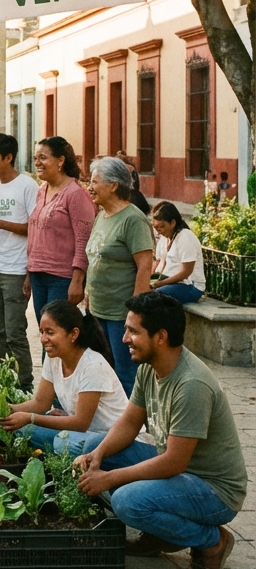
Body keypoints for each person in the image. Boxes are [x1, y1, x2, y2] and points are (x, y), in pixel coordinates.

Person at [75, 292, 247, 569]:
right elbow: (130, 422)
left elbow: (174, 462)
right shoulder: (148, 368)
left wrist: (110, 479)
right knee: (91, 446)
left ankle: (212, 542)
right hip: (179, 468)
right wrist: (100, 454)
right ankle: (158, 533)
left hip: (213, 489)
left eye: (133, 331)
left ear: (161, 337)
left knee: (128, 502)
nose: (124, 338)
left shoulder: (191, 384)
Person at [0, 301, 128, 455]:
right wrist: (5, 411)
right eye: (42, 332)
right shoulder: (54, 357)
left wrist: (31, 418)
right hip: (83, 434)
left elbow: (80, 423)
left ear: (73, 334)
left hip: (112, 439)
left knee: (63, 441)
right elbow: (40, 403)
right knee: (19, 427)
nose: (43, 339)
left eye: (50, 332)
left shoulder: (93, 365)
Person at [85, 157, 154, 397]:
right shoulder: (101, 215)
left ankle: (132, 428)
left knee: (125, 374)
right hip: (98, 309)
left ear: (114, 185)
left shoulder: (133, 219)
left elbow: (145, 265)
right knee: (103, 370)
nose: (89, 187)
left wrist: (135, 311)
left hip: (120, 313)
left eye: (95, 182)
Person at [0, 133, 38, 391]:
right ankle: (6, 382)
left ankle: (24, 386)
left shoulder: (27, 186)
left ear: (8, 158)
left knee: (15, 333)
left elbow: (35, 229)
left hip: (15, 269)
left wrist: (29, 272)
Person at [25, 136, 95, 322]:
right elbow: (35, 234)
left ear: (61, 160)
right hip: (38, 275)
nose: (37, 163)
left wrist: (77, 280)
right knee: (45, 329)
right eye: (35, 158)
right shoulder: (42, 190)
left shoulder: (75, 194)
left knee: (58, 332)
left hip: (62, 278)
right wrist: (28, 273)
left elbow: (84, 240)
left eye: (43, 158)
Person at [151, 201, 206, 304]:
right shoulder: (164, 238)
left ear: (172, 223)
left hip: (190, 287)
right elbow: (159, 262)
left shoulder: (185, 237)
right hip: (168, 282)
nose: (158, 230)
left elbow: (186, 272)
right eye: (156, 227)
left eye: (161, 226)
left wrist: (160, 283)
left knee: (155, 297)